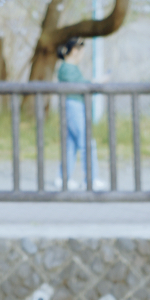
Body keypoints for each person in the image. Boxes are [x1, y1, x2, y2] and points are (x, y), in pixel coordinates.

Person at [56, 35, 97, 188]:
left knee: (71, 144)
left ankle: (63, 178)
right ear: (74, 51)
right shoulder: (66, 68)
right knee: (86, 142)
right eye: (81, 52)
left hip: (73, 106)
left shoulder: (70, 68)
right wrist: (96, 83)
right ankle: (91, 179)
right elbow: (81, 85)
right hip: (73, 106)